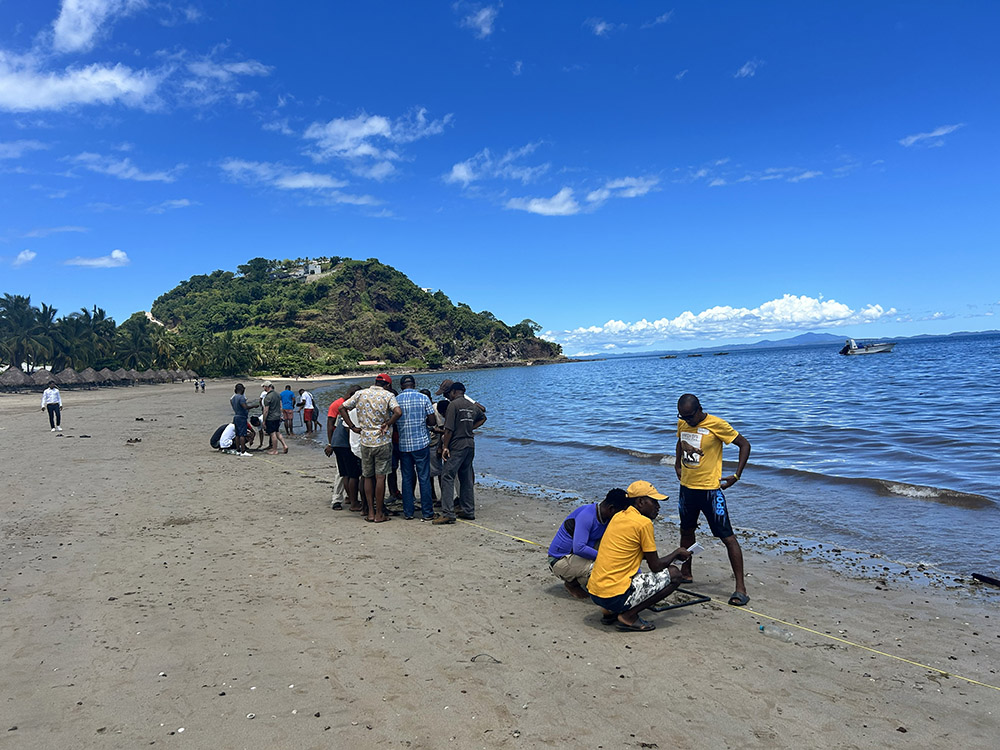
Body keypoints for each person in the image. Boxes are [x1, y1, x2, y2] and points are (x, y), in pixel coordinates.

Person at [674, 393, 752, 607]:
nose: (686, 420)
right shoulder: (683, 422)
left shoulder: (717, 424)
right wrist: (677, 465)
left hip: (710, 491)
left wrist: (736, 475)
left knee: (727, 537)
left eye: (690, 416)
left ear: (699, 409)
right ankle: (686, 573)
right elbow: (680, 442)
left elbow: (744, 445)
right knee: (686, 531)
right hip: (687, 489)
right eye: (683, 417)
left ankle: (741, 588)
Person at [588, 480, 691, 632]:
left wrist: (671, 557)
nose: (658, 507)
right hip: (613, 595)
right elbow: (655, 566)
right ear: (641, 502)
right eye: (654, 502)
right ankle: (629, 615)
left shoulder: (618, 516)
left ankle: (609, 611)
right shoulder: (643, 523)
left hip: (595, 591)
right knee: (675, 574)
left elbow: (628, 552)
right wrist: (676, 553)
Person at [339, 374, 402, 523]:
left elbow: (342, 407)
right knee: (380, 477)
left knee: (367, 476)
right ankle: (379, 513)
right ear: (387, 385)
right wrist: (388, 423)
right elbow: (398, 412)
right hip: (382, 441)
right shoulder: (388, 395)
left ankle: (370, 513)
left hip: (365, 440)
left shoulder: (360, 393)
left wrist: (352, 426)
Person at [548, 489, 631, 599]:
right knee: (605, 569)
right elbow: (579, 548)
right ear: (611, 509)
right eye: (621, 513)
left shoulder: (606, 517)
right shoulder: (587, 516)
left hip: (578, 556)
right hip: (560, 559)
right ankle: (572, 584)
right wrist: (606, 559)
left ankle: (582, 579)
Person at [434, 382, 486, 525]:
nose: (448, 396)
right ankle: (468, 510)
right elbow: (483, 418)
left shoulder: (453, 405)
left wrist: (445, 447)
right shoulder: (471, 405)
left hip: (457, 444)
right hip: (470, 444)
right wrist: (470, 428)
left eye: (449, 393)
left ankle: (448, 513)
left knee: (447, 476)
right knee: (466, 477)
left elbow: (448, 429)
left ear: (454, 392)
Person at [396, 375, 437, 520]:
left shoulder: (396, 400)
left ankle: (408, 512)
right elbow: (432, 421)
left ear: (401, 386)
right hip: (421, 443)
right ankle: (427, 512)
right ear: (414, 384)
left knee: (407, 478)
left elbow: (393, 419)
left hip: (403, 444)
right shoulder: (423, 398)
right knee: (424, 477)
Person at [326, 385, 363, 512]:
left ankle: (349, 498)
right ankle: (340, 500)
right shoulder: (342, 406)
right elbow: (331, 425)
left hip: (339, 442)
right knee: (349, 474)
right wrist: (330, 444)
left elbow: (338, 425)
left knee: (345, 473)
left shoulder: (347, 408)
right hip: (343, 444)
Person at [230, 383, 259, 457]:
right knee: (242, 434)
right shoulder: (241, 397)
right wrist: (254, 406)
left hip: (236, 416)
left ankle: (238, 450)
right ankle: (243, 451)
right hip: (241, 417)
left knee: (237, 434)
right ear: (241, 389)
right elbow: (245, 407)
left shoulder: (233, 398)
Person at [261, 381, 288, 455]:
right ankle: (284, 445)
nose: (263, 388)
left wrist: (264, 420)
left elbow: (266, 410)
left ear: (267, 387)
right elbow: (280, 406)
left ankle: (275, 450)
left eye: (264, 387)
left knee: (273, 434)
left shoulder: (268, 397)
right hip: (277, 416)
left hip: (271, 417)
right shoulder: (277, 394)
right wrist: (281, 415)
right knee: (277, 432)